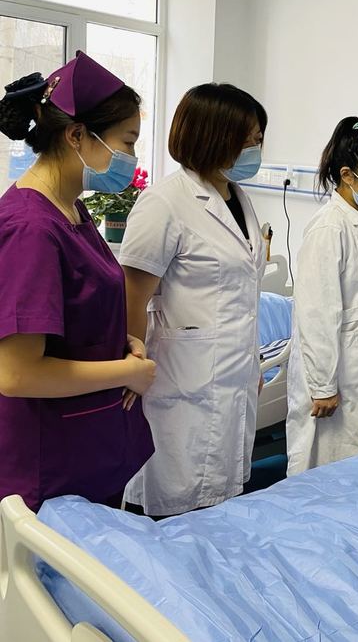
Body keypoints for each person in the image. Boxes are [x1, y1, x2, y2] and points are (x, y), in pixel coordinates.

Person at [0, 53, 156, 511]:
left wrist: (121, 341)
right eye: (126, 142)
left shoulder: (71, 207)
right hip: (48, 466)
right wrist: (127, 372)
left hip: (88, 446)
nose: (131, 159)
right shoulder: (31, 228)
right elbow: (17, 373)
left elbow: (77, 313)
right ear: (76, 136)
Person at [120, 83, 268, 517]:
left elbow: (239, 298)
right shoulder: (164, 202)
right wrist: (129, 370)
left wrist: (251, 362)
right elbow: (131, 298)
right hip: (178, 382)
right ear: (215, 136)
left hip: (233, 378)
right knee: (170, 509)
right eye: (249, 139)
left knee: (220, 507)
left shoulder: (238, 199)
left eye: (259, 140)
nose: (256, 150)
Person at [285, 117, 358, 475]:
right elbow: (317, 314)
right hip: (333, 378)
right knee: (324, 470)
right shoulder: (329, 227)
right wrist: (322, 386)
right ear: (348, 175)